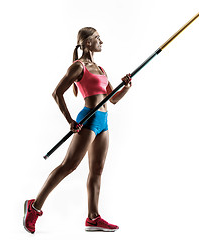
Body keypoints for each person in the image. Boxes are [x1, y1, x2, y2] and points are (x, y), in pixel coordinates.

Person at [23, 27, 132, 233]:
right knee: (69, 166)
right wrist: (70, 121)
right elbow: (57, 93)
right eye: (97, 38)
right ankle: (34, 207)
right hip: (88, 119)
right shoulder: (78, 66)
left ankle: (93, 217)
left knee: (97, 170)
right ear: (87, 43)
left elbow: (113, 99)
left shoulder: (101, 69)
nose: (102, 41)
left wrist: (124, 87)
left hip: (103, 121)